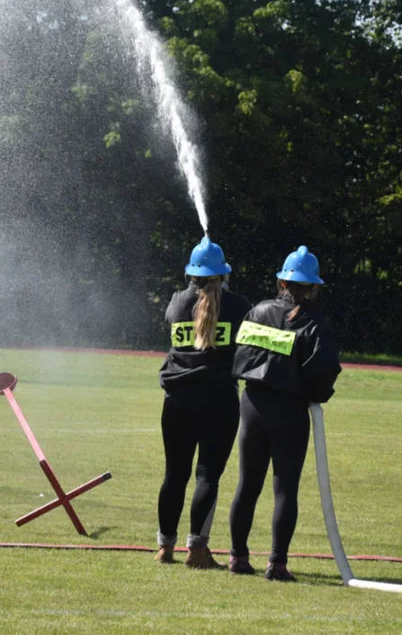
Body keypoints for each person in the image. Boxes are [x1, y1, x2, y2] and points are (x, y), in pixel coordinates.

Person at [227, 246, 342, 581]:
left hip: (252, 407)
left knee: (247, 485)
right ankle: (277, 564)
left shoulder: (257, 311)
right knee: (285, 489)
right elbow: (323, 376)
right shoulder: (316, 324)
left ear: (282, 281)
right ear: (314, 286)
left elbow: (242, 357)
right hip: (290, 411)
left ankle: (237, 557)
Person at [156, 236, 252, 568]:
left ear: (191, 273)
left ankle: (164, 547)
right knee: (207, 475)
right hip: (219, 401)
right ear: (222, 273)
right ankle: (197, 549)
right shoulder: (239, 305)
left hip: (177, 401)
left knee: (174, 475)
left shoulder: (176, 303)